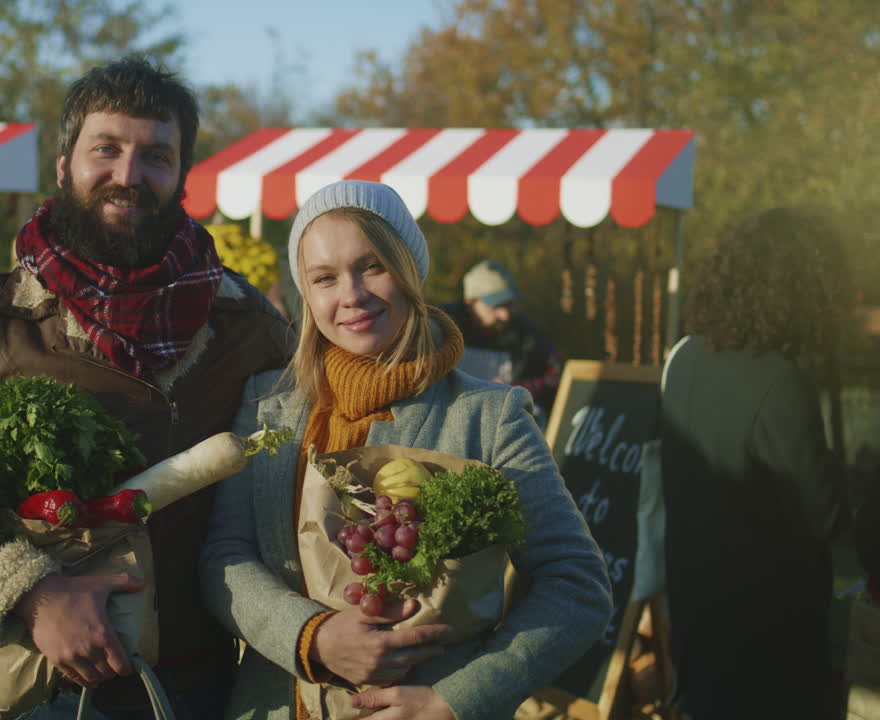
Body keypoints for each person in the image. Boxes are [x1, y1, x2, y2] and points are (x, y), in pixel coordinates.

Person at [0, 55, 293, 719]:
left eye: (155, 155)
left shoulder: (245, 323)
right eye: (108, 149)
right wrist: (32, 593)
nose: (129, 175)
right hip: (38, 681)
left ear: (181, 175)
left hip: (197, 686)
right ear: (64, 164)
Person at [200, 180, 613, 720]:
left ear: (410, 270)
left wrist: (455, 701)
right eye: (324, 278)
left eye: (372, 266)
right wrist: (310, 637)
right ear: (305, 291)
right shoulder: (264, 405)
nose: (350, 294)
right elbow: (224, 556)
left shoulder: (489, 415)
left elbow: (577, 584)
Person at [659, 207, 850, 720]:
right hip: (768, 648)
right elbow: (824, 516)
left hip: (700, 631)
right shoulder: (781, 382)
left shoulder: (684, 358)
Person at [443, 260, 563, 420]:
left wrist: (514, 390)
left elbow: (556, 377)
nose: (505, 315)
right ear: (470, 302)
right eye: (496, 306)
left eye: (509, 305)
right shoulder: (440, 329)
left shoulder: (528, 335)